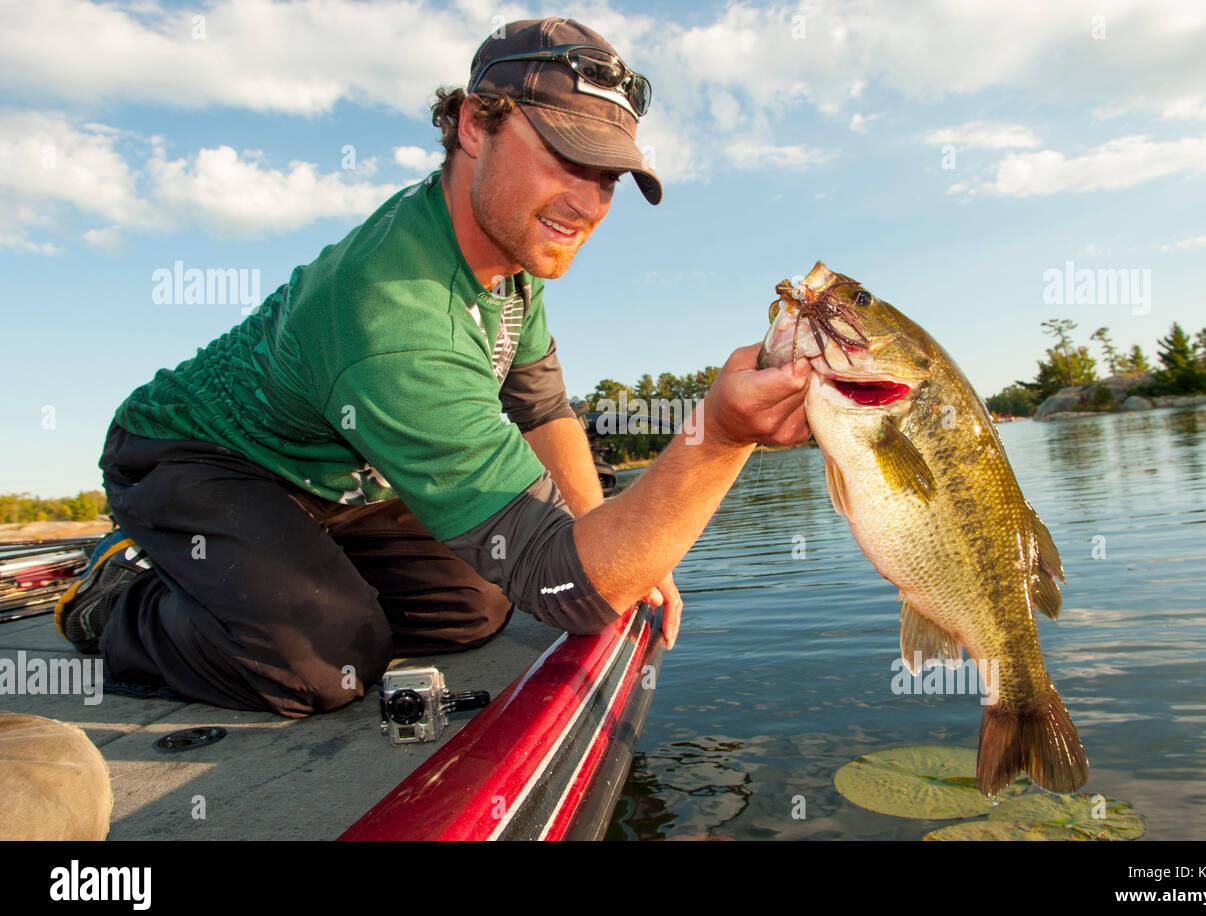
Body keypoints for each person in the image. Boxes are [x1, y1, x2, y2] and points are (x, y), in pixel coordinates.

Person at [54, 17, 812, 718]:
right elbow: (567, 588)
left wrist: (617, 538)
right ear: (474, 124)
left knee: (475, 607)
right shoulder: (393, 314)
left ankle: (287, 574)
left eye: (608, 176)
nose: (587, 203)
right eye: (567, 156)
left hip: (339, 481)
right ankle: (120, 598)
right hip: (200, 460)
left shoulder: (509, 250)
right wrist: (719, 438)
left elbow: (542, 408)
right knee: (329, 663)